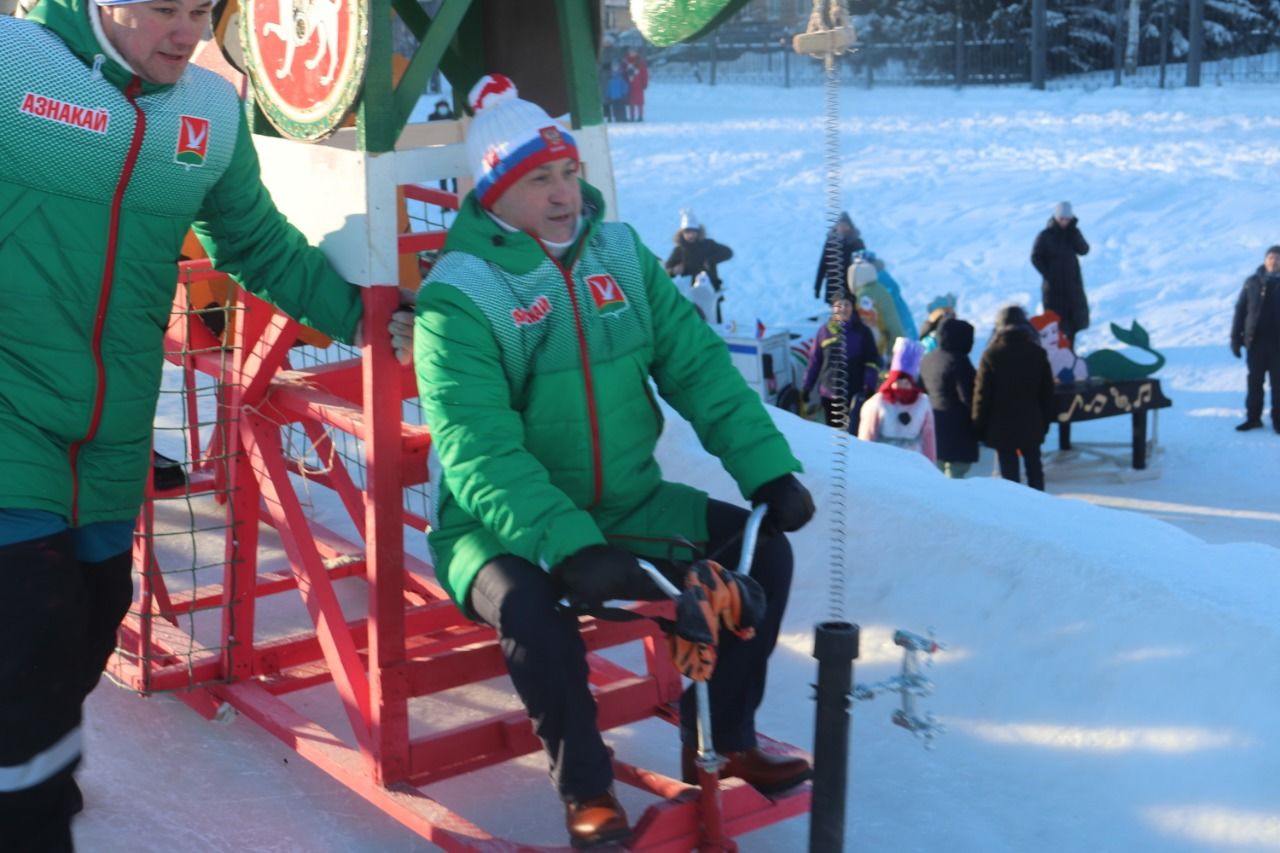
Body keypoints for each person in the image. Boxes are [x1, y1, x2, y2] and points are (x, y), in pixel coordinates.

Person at [0, 0, 409, 846]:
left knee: (90, 615)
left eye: (200, 10)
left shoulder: (209, 113)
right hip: (8, 412)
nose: (185, 32)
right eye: (162, 10)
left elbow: (254, 244)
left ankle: (27, 763)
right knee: (30, 629)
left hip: (110, 429)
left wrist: (366, 320)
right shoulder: (14, 66)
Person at [413, 74, 815, 850]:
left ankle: (731, 734)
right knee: (533, 610)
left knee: (765, 549)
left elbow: (697, 365)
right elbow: (479, 452)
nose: (565, 194)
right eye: (539, 179)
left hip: (628, 502)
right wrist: (569, 546)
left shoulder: (621, 255)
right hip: (499, 528)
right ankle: (586, 788)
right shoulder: (460, 296)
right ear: (495, 191)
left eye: (569, 172)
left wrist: (763, 466)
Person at [972, 306, 1057, 490]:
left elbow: (981, 396)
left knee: (1009, 477)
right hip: (1032, 423)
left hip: (1001, 427)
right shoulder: (1037, 353)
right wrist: (1044, 423)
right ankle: (1042, 508)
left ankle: (1015, 514)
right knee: (1035, 470)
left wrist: (978, 426)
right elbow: (1047, 394)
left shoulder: (991, 355)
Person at [801, 295, 881, 429]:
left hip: (855, 393)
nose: (843, 308)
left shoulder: (862, 331)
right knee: (832, 435)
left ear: (852, 308)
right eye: (839, 305)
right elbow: (815, 361)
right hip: (828, 393)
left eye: (847, 305)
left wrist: (869, 387)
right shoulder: (824, 331)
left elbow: (872, 362)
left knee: (853, 434)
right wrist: (806, 387)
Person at [857, 339, 936, 462]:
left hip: (913, 460)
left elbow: (928, 437)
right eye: (898, 381)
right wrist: (864, 461)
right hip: (884, 459)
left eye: (906, 382)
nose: (902, 385)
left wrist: (930, 465)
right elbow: (867, 436)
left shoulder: (922, 402)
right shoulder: (877, 403)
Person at [919, 317, 979, 478]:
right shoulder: (958, 361)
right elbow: (968, 397)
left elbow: (921, 390)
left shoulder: (927, 359)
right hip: (959, 428)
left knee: (936, 472)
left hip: (932, 422)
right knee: (956, 475)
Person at [1231, 245, 1280, 432]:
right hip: (1256, 342)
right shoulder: (1252, 282)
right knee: (1254, 382)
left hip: (1278, 345)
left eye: (1277, 258)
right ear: (1265, 260)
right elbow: (1241, 311)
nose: (1274, 262)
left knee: (1278, 385)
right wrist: (1235, 338)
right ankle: (1253, 418)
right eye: (1271, 258)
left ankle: (1278, 421)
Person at [1031, 201, 1090, 343]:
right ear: (1056, 217)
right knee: (1055, 323)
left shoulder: (1073, 233)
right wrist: (1048, 274)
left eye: (1067, 219)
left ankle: (1071, 353)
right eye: (1061, 218)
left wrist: (1075, 234)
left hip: (1072, 286)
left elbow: (1084, 250)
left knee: (1074, 321)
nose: (1064, 222)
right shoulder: (1045, 236)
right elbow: (1035, 257)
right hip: (1053, 288)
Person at [664, 209, 733, 322]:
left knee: (714, 321)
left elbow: (728, 252)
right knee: (695, 322)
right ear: (682, 233)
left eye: (693, 232)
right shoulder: (679, 250)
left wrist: (711, 261)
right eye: (687, 232)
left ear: (698, 232)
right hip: (690, 294)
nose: (690, 235)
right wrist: (673, 271)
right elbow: (666, 270)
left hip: (710, 291)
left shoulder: (708, 245)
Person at [850, 256, 907, 361]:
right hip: (897, 338)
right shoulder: (879, 289)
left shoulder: (864, 295)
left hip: (887, 344)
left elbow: (870, 325)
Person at [812, 211, 865, 301]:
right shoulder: (830, 242)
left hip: (851, 287)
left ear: (850, 226)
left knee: (850, 312)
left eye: (845, 225)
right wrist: (817, 287)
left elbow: (864, 266)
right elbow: (823, 265)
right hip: (834, 287)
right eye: (840, 225)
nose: (842, 228)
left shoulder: (857, 242)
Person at [623, 47, 648, 122]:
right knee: (631, 102)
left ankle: (640, 116)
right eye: (631, 51)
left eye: (634, 52)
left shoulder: (641, 63)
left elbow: (645, 74)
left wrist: (645, 83)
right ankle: (632, 117)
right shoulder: (625, 62)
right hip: (629, 85)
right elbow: (623, 73)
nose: (632, 53)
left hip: (639, 85)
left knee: (640, 102)